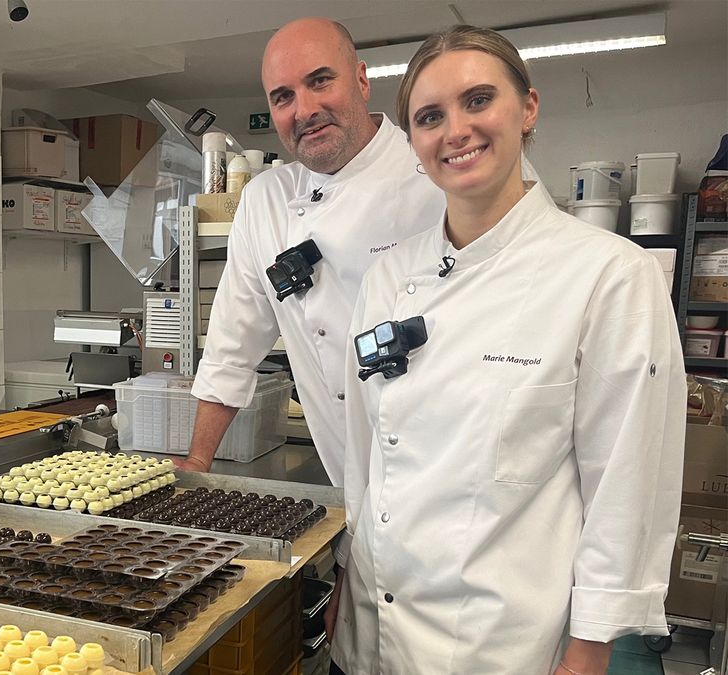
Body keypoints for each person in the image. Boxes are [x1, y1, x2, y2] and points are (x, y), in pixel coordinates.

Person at [326, 25, 685, 675]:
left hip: (497, 648)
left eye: (478, 100)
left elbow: (628, 484)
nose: (455, 129)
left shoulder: (607, 276)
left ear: (528, 108)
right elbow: (367, 453)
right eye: (430, 116)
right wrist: (347, 577)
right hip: (371, 636)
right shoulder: (387, 278)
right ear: (414, 142)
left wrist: (590, 648)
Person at [176, 17, 445, 483]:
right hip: (350, 483)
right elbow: (230, 348)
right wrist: (197, 463)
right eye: (283, 97)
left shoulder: (436, 171)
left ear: (362, 80)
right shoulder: (265, 201)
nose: (305, 109)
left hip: (452, 472)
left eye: (321, 81)